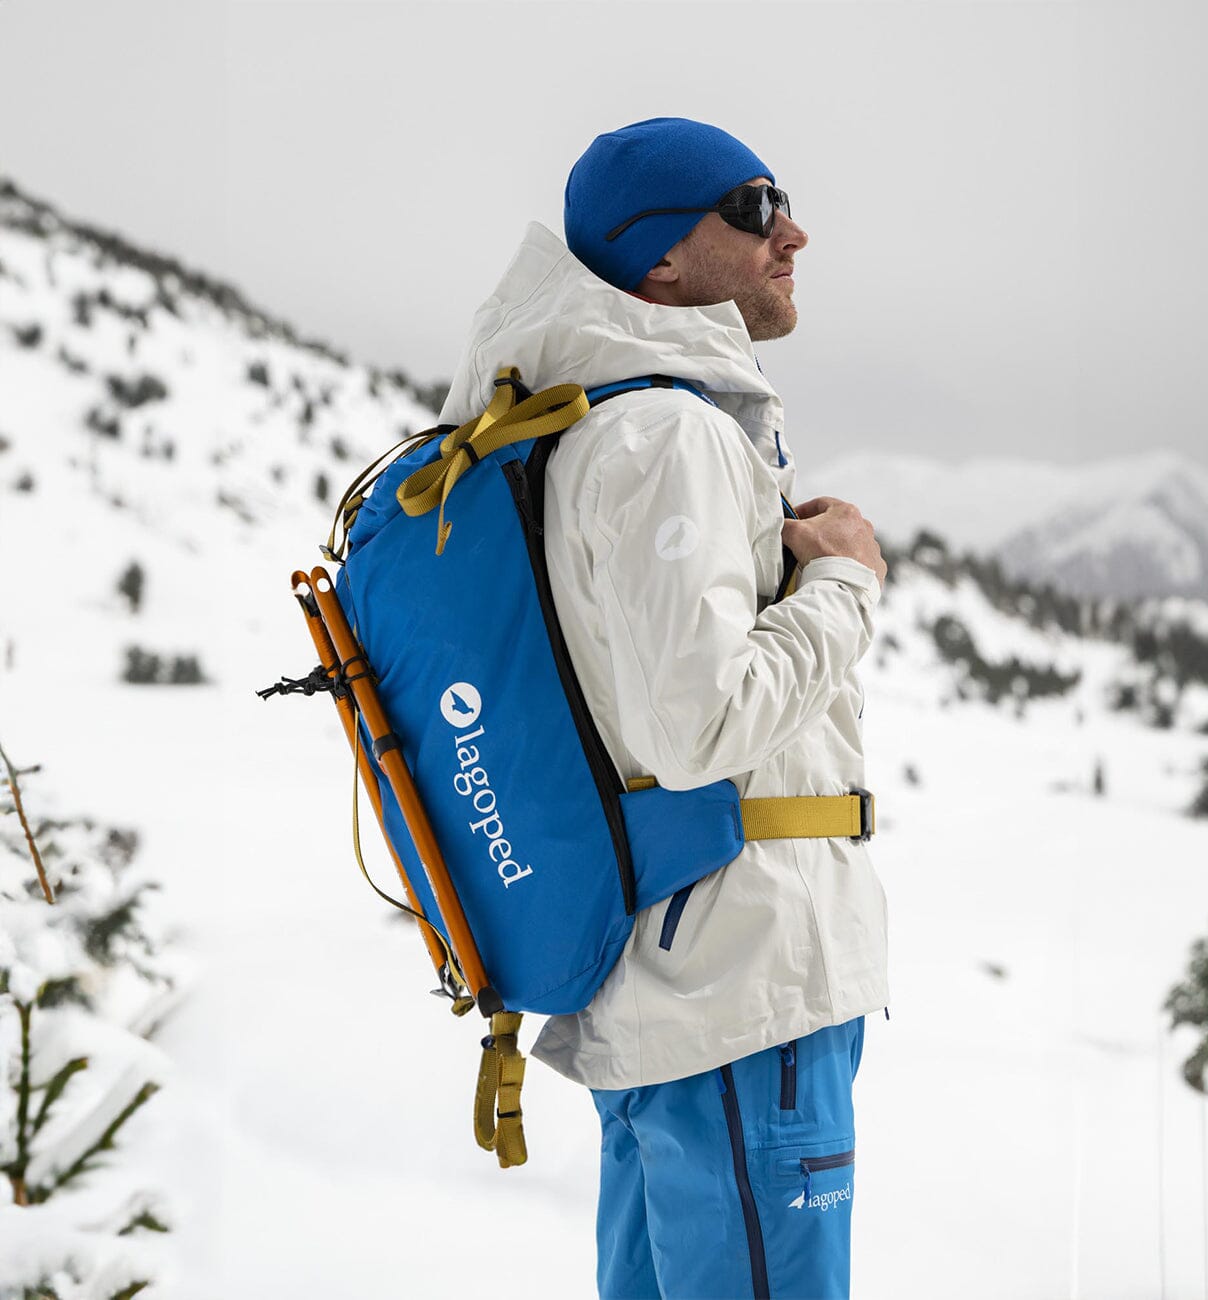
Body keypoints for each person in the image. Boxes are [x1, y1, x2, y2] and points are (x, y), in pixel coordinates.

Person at [436, 117, 890, 1299]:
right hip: (740, 989)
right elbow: (699, 726)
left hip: (691, 978)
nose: (792, 232)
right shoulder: (665, 433)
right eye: (751, 208)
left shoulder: (608, 419)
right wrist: (844, 580)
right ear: (659, 263)